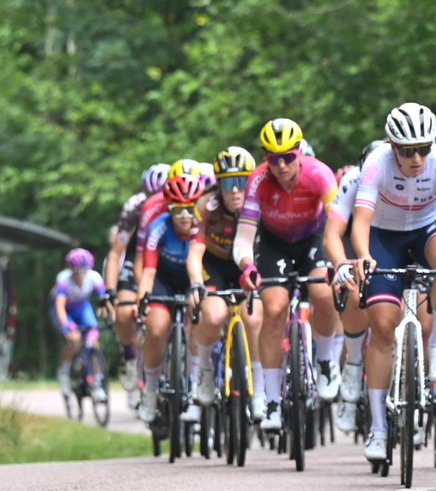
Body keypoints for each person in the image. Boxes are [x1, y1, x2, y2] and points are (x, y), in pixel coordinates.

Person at [352, 103, 436, 462]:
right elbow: (360, 223)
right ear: (392, 145)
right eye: (407, 150)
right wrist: (362, 254)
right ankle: (378, 427)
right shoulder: (376, 165)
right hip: (384, 237)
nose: (416, 158)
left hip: (428, 229)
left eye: (423, 148)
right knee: (383, 328)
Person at [232, 118, 340, 433]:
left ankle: (326, 362)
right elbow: (244, 236)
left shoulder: (320, 174)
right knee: (275, 308)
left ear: (299, 152)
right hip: (274, 243)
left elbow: (336, 225)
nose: (281, 166)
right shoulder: (257, 181)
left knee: (322, 293)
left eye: (288, 158)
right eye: (273, 159)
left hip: (313, 238)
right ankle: (272, 400)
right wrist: (247, 266)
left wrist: (338, 262)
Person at [186, 147, 264, 418]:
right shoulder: (207, 206)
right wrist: (196, 283)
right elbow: (195, 253)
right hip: (215, 266)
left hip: (249, 264)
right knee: (214, 313)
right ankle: (205, 370)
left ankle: (260, 390)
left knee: (253, 319)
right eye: (228, 183)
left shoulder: (261, 202)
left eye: (241, 182)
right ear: (218, 184)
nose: (234, 190)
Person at [325, 140, 388, 434]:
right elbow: (334, 234)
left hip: (395, 238)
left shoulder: (404, 177)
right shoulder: (352, 182)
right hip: (358, 238)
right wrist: (341, 265)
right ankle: (353, 363)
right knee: (355, 289)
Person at [137, 174, 205, 423]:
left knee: (199, 320)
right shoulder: (159, 228)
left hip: (193, 279)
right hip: (163, 280)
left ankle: (197, 381)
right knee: (156, 330)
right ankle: (151, 390)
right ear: (169, 209)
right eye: (178, 211)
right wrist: (142, 300)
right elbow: (148, 271)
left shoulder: (202, 228)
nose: (185, 217)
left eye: (190, 210)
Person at [105, 163, 170, 409]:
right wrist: (110, 291)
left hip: (167, 254)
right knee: (124, 311)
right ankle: (131, 359)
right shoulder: (135, 207)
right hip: (137, 255)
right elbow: (116, 252)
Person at [54, 249, 109, 401]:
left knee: (93, 341)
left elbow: (104, 298)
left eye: (84, 271)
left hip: (83, 308)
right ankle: (64, 372)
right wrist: (66, 325)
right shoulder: (64, 280)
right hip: (67, 311)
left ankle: (96, 382)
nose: (81, 275)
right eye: (77, 271)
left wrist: (113, 315)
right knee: (74, 339)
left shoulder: (94, 277)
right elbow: (59, 306)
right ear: (71, 270)